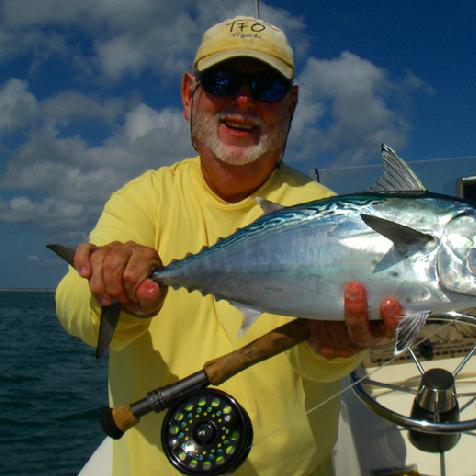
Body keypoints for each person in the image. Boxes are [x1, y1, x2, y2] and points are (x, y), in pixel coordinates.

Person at [55, 15, 399, 476]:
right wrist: (112, 291)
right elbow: (73, 305)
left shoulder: (326, 212)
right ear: (187, 94)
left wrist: (333, 351)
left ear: (291, 103)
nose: (243, 101)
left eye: (267, 88)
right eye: (222, 81)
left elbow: (322, 372)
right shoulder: (144, 198)